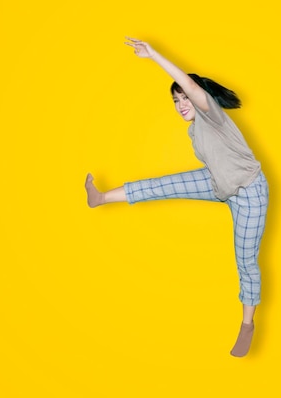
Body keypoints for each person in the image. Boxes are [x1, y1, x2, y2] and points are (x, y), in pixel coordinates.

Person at [85, 37, 269, 357]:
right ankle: (101, 198)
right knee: (162, 185)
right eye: (175, 100)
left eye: (184, 97)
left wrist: (154, 55)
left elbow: (190, 86)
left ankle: (247, 325)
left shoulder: (212, 114)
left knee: (246, 262)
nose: (181, 103)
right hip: (217, 183)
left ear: (199, 98)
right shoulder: (195, 130)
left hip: (249, 193)